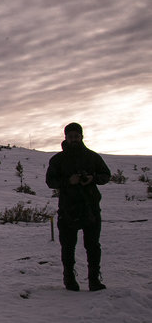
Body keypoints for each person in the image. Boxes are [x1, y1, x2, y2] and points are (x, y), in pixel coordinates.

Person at [45, 123, 111, 291]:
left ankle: (94, 280)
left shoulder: (92, 157)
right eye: (71, 136)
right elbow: (50, 181)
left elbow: (106, 175)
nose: (74, 139)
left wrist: (92, 178)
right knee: (68, 246)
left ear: (81, 136)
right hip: (68, 208)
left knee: (93, 246)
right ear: (65, 137)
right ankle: (69, 279)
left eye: (76, 136)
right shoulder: (58, 160)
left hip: (90, 207)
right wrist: (68, 181)